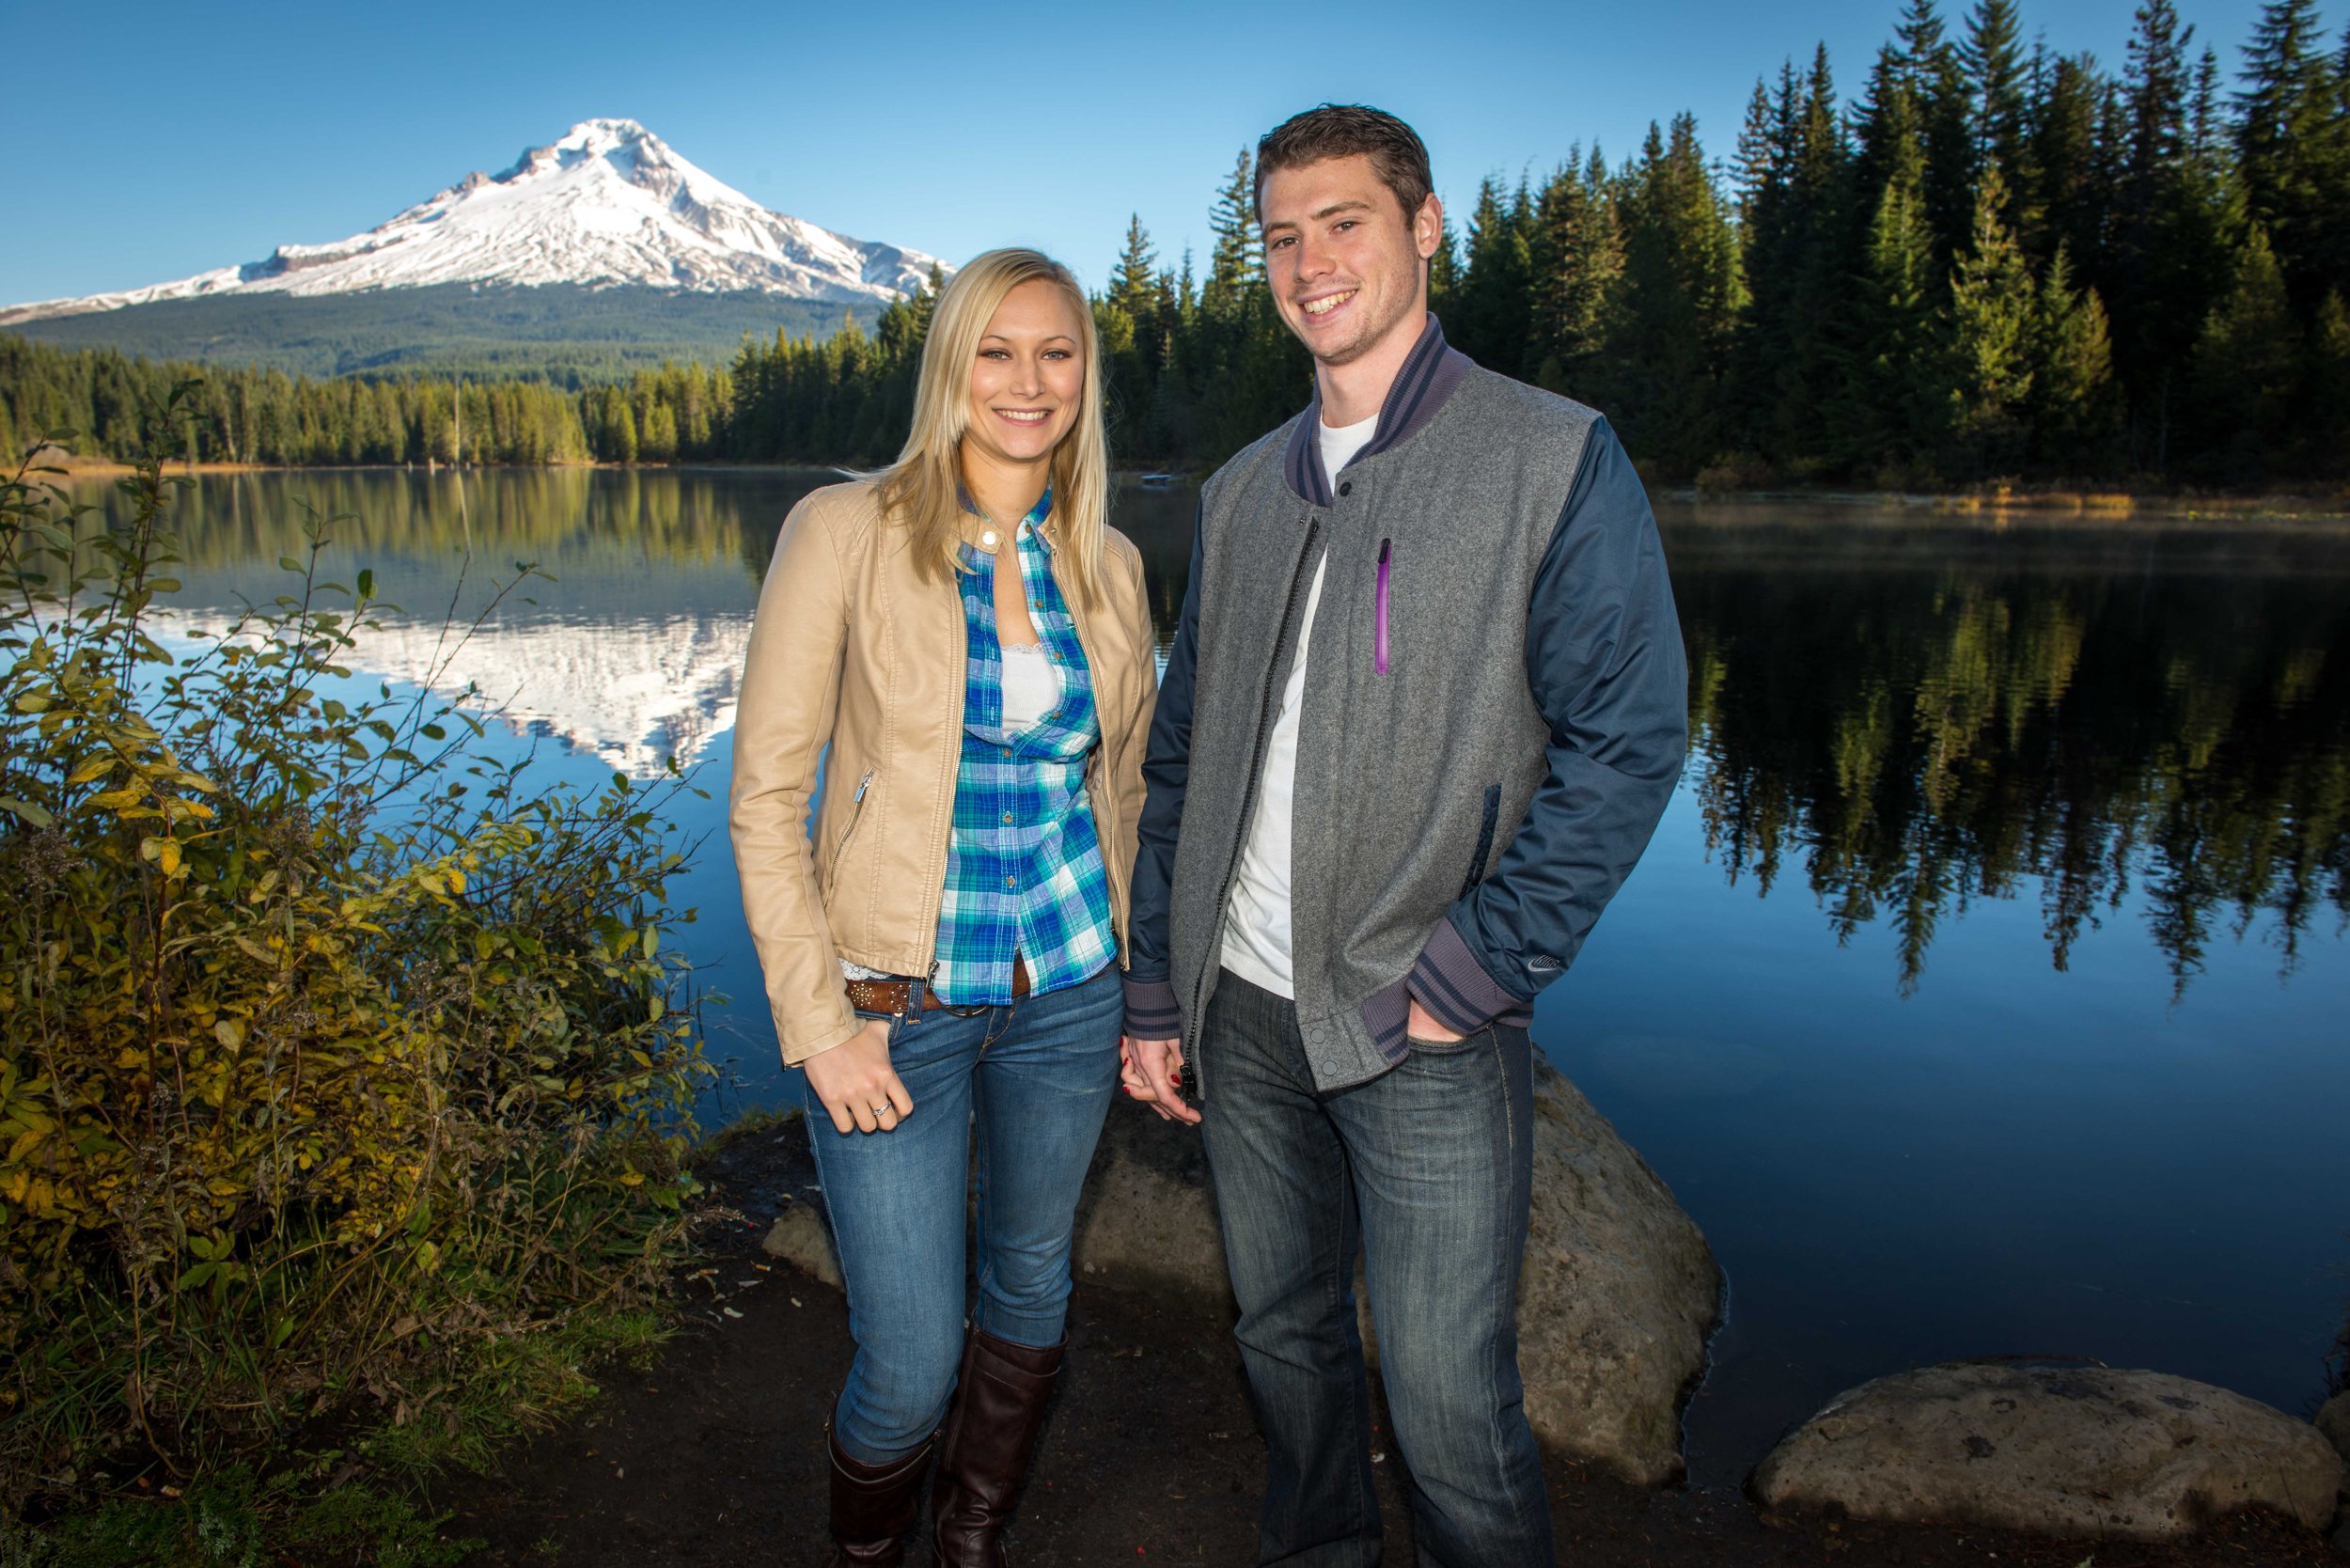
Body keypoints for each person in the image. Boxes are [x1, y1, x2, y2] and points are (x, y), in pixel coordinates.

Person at [1120, 105, 1688, 1567]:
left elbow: (1629, 743)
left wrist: (1476, 967)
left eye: (1345, 221)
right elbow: (1181, 757)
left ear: (1426, 227)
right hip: (1238, 1008)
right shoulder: (1245, 490)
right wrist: (1154, 981)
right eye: (1281, 236)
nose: (1311, 262)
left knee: (1449, 1408)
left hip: (1414, 1017)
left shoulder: (1550, 457)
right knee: (1285, 1341)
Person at [729, 247, 1159, 1567]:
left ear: (1085, 376)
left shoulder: (1113, 565)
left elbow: (1126, 794)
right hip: (891, 1011)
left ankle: (969, 1539)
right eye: (997, 349)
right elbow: (765, 798)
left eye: (1057, 353)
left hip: (1068, 996)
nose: (1027, 382)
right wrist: (818, 1021)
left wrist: (1141, 995)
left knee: (1031, 1285)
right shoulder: (845, 531)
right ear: (951, 367)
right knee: (909, 1360)